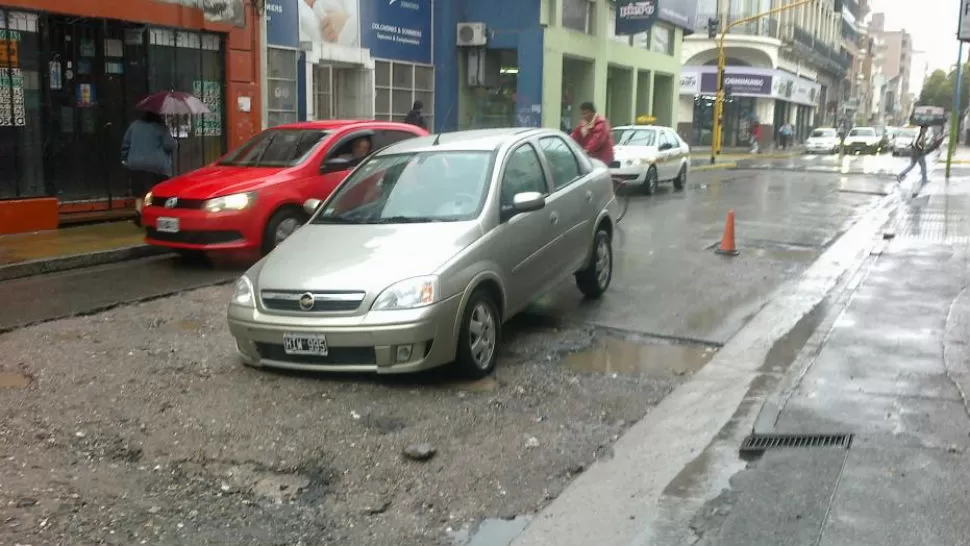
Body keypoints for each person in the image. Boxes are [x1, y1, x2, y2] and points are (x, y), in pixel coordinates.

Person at [121, 111, 176, 227]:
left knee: (139, 192)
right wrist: (174, 141)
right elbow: (169, 146)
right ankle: (153, 216)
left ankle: (138, 212)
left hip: (136, 164)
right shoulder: (161, 128)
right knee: (155, 193)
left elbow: (126, 144)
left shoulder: (134, 125)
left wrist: (125, 157)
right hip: (156, 167)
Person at [896, 124, 930, 196]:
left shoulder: (920, 134)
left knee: (913, 166)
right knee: (923, 166)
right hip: (918, 154)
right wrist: (922, 149)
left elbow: (914, 144)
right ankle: (924, 180)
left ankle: (900, 175)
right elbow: (917, 144)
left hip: (916, 153)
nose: (926, 130)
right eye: (926, 129)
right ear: (923, 129)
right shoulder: (920, 134)